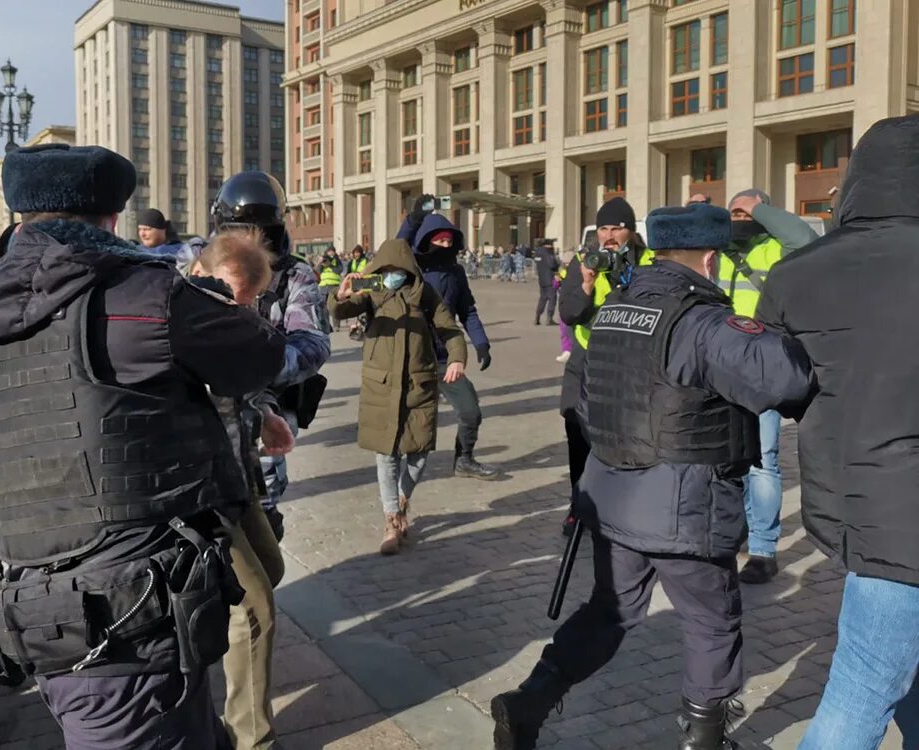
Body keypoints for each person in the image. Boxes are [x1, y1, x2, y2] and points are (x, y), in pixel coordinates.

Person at [0, 143, 285, 750]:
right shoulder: (145, 297)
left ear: (20, 216)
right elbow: (258, 355)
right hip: (133, 606)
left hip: (31, 598)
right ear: (109, 218)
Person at [491, 203, 815, 750]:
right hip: (685, 508)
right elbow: (788, 379)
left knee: (609, 612)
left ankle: (529, 701)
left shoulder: (616, 307)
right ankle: (703, 741)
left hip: (614, 498)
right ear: (710, 259)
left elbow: (590, 399)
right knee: (712, 624)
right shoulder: (702, 320)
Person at [757, 114, 919, 750]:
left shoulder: (798, 271)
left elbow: (777, 387)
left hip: (855, 503)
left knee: (889, 677)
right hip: (903, 522)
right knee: (861, 691)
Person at [191, 228, 291, 750]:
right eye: (232, 294)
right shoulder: (169, 314)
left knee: (269, 572)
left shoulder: (231, 312)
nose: (238, 307)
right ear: (199, 272)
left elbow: (243, 378)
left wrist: (266, 412)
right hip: (197, 492)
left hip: (237, 475)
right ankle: (253, 741)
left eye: (248, 301)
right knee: (253, 612)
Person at [211, 171, 332, 542]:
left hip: (268, 407)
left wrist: (257, 367)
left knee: (261, 513)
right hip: (210, 410)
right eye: (238, 231)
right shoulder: (203, 265)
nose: (249, 241)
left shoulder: (294, 276)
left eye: (258, 232)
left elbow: (312, 343)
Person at [330, 239, 467, 555]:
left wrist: (457, 357)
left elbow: (450, 329)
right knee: (386, 455)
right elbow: (341, 310)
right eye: (386, 269)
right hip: (381, 386)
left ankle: (402, 500)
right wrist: (341, 294)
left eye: (397, 269)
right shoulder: (371, 293)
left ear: (408, 269)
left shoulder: (425, 294)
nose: (391, 274)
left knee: (419, 453)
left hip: (419, 387)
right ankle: (391, 519)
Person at [720, 188, 818, 584]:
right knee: (728, 459)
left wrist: (759, 209)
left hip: (763, 369)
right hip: (721, 368)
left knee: (762, 461)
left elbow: (806, 241)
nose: (739, 220)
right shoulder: (719, 251)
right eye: (734, 213)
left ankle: (763, 550)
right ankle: (737, 531)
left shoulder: (776, 249)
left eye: (747, 213)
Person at [557, 198, 654, 535]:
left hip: (631, 367)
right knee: (579, 437)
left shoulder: (648, 262)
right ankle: (579, 507)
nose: (609, 235)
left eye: (617, 228)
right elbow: (569, 313)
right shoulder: (585, 262)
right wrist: (585, 282)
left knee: (628, 440)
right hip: (587, 364)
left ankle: (624, 508)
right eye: (603, 228)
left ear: (630, 230)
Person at [398, 199, 500, 479]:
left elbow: (467, 310)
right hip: (412, 359)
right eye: (437, 240)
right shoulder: (410, 269)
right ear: (424, 241)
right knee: (407, 419)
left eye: (447, 240)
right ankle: (399, 468)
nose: (443, 245)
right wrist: (413, 219)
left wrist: (481, 342)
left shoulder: (456, 273)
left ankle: (464, 459)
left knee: (470, 411)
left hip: (445, 360)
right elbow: (397, 248)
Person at [532, 239, 560, 325]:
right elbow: (552, 264)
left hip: (542, 279)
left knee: (543, 298)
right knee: (552, 298)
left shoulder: (537, 253)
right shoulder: (547, 253)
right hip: (549, 279)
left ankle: (537, 316)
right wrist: (557, 263)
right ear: (547, 245)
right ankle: (549, 318)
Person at [554, 248, 574, 363]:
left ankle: (571, 350)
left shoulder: (578, 271)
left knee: (571, 328)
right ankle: (566, 350)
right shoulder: (562, 271)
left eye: (569, 262)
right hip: (563, 303)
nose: (566, 265)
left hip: (573, 302)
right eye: (565, 263)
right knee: (563, 328)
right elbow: (555, 286)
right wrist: (557, 281)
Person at [316, 250, 343, 331]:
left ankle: (336, 325)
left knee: (335, 306)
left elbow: (338, 270)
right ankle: (327, 326)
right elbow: (317, 272)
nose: (330, 254)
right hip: (324, 287)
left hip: (334, 286)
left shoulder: (337, 261)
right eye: (329, 252)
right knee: (324, 308)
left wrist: (330, 265)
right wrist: (320, 263)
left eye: (332, 252)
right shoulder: (322, 263)